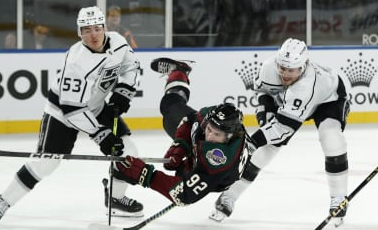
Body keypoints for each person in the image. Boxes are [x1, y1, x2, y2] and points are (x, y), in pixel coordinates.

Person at [0, 6, 144, 226]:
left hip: (96, 106)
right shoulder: (76, 61)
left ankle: (114, 198)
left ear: (104, 28)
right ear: (79, 33)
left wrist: (124, 91)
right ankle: (4, 200)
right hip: (62, 112)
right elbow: (72, 110)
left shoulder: (117, 42)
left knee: (128, 151)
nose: (93, 35)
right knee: (46, 164)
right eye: (86, 30)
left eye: (97, 28)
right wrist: (101, 134)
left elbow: (132, 66)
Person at [209, 38, 350, 227]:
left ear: (303, 66)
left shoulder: (307, 85)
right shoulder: (270, 67)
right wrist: (264, 113)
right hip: (293, 101)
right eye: (282, 67)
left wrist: (253, 140)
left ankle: (338, 198)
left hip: (328, 99)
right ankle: (229, 196)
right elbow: (262, 92)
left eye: (290, 70)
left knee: (331, 138)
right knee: (265, 151)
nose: (285, 73)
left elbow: (283, 128)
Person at [112, 57, 251, 207]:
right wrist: (181, 144)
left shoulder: (218, 159)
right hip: (202, 157)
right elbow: (191, 119)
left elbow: (183, 195)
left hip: (215, 179)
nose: (209, 136)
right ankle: (180, 71)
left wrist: (145, 175)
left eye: (217, 134)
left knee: (181, 175)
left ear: (228, 138)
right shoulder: (212, 116)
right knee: (170, 104)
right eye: (209, 129)